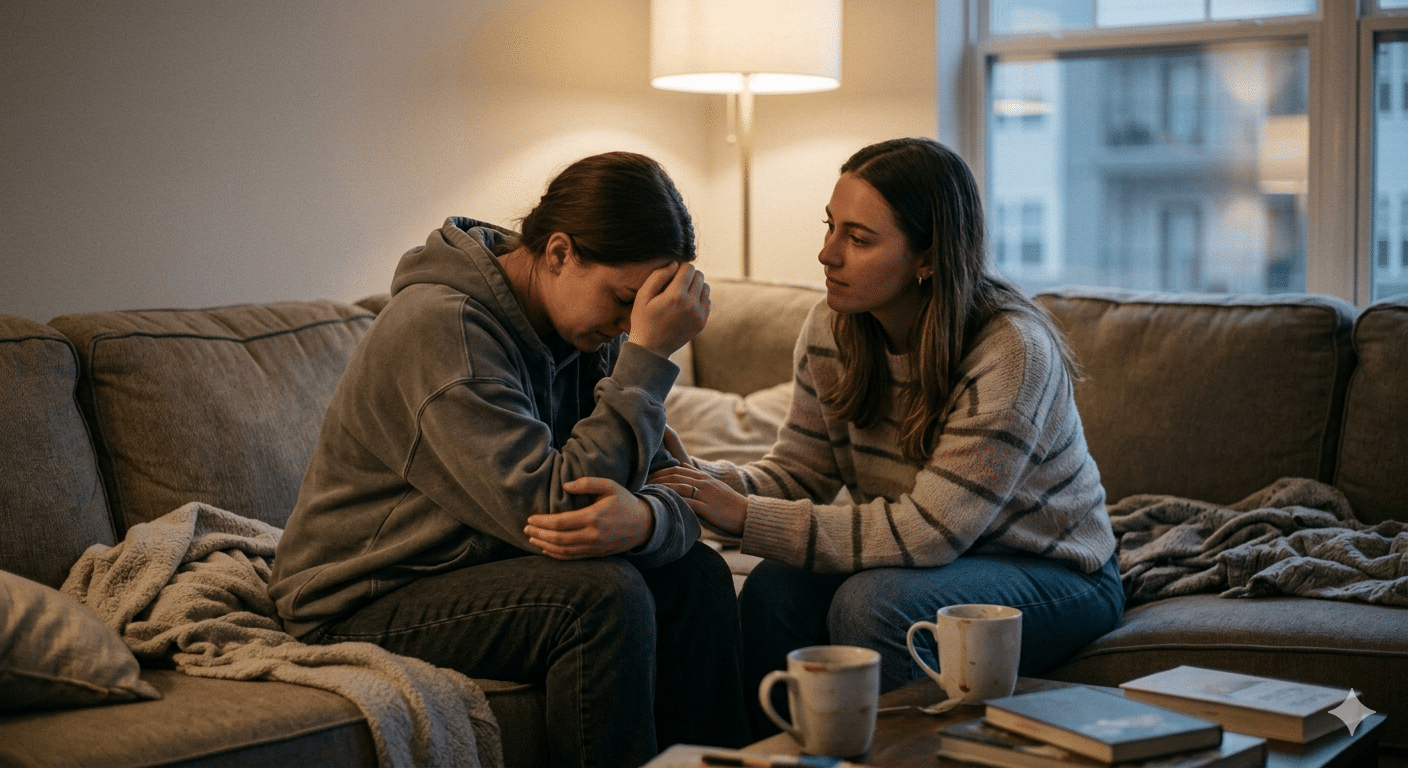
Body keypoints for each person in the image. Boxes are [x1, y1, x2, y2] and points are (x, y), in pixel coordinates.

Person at [269, 152, 751, 767]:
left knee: (699, 580)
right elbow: (553, 510)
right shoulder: (443, 331)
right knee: (600, 596)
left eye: (644, 314)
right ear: (558, 253)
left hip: (481, 566)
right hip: (361, 597)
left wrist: (650, 521)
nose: (631, 327)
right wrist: (649, 361)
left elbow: (676, 483)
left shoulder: (583, 328)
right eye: (624, 300)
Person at [649, 137, 1124, 733]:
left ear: (928, 256)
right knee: (774, 587)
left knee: (875, 606)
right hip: (927, 561)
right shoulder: (833, 327)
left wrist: (743, 517)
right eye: (830, 227)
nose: (827, 254)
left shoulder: (1011, 351)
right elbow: (798, 477)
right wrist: (700, 482)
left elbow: (931, 532)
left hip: (1055, 571)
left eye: (859, 238)